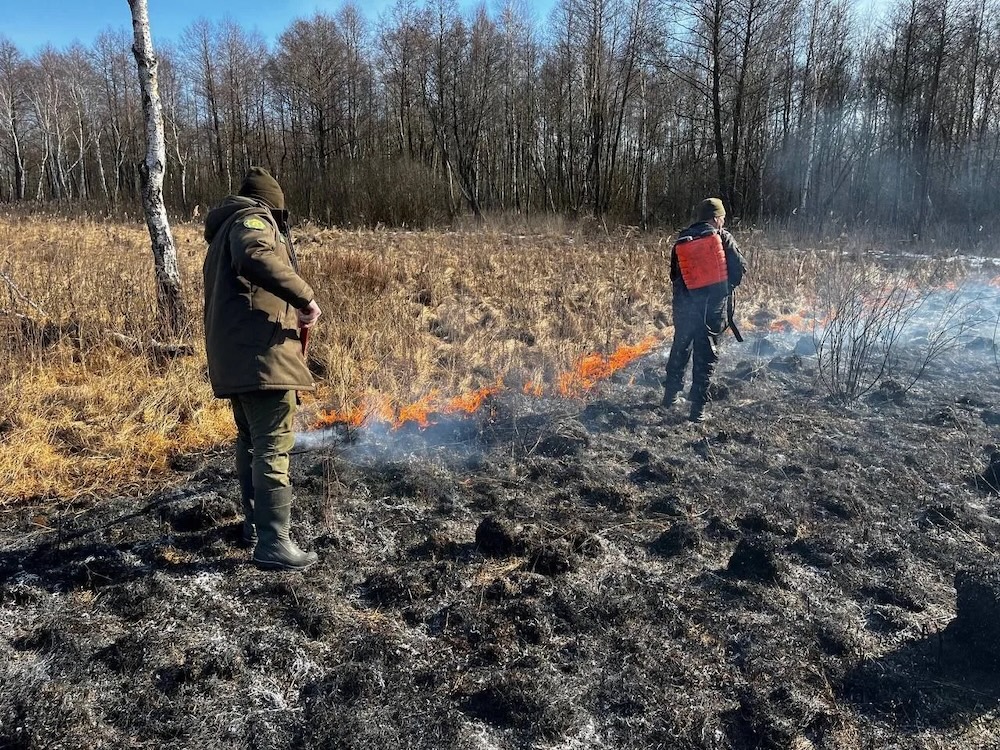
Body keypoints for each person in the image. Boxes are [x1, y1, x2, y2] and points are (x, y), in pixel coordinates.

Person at [203, 166, 321, 571]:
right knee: (272, 443)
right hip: (261, 356)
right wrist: (305, 298)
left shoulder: (222, 230)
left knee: (251, 440)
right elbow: (255, 254)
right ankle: (274, 542)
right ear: (273, 203)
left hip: (236, 357)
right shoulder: (253, 220)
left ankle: (256, 528)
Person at [662, 197, 746, 422]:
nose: (723, 222)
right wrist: (723, 287)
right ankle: (697, 410)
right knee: (706, 354)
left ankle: (670, 396)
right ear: (717, 218)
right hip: (712, 306)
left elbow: (674, 275)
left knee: (681, 346)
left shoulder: (682, 239)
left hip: (684, 304)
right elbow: (740, 269)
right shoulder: (722, 238)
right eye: (723, 218)